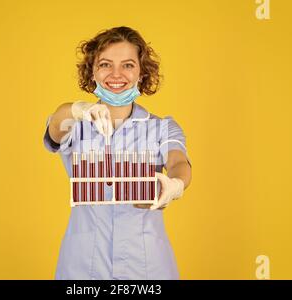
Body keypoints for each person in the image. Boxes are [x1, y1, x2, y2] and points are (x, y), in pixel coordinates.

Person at [43, 26, 192, 279]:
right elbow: (55, 126)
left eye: (128, 65)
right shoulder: (75, 124)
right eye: (105, 64)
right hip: (83, 268)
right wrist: (78, 109)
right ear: (92, 71)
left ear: (142, 73)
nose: (116, 74)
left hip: (147, 269)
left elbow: (178, 162)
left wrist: (174, 184)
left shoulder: (162, 127)